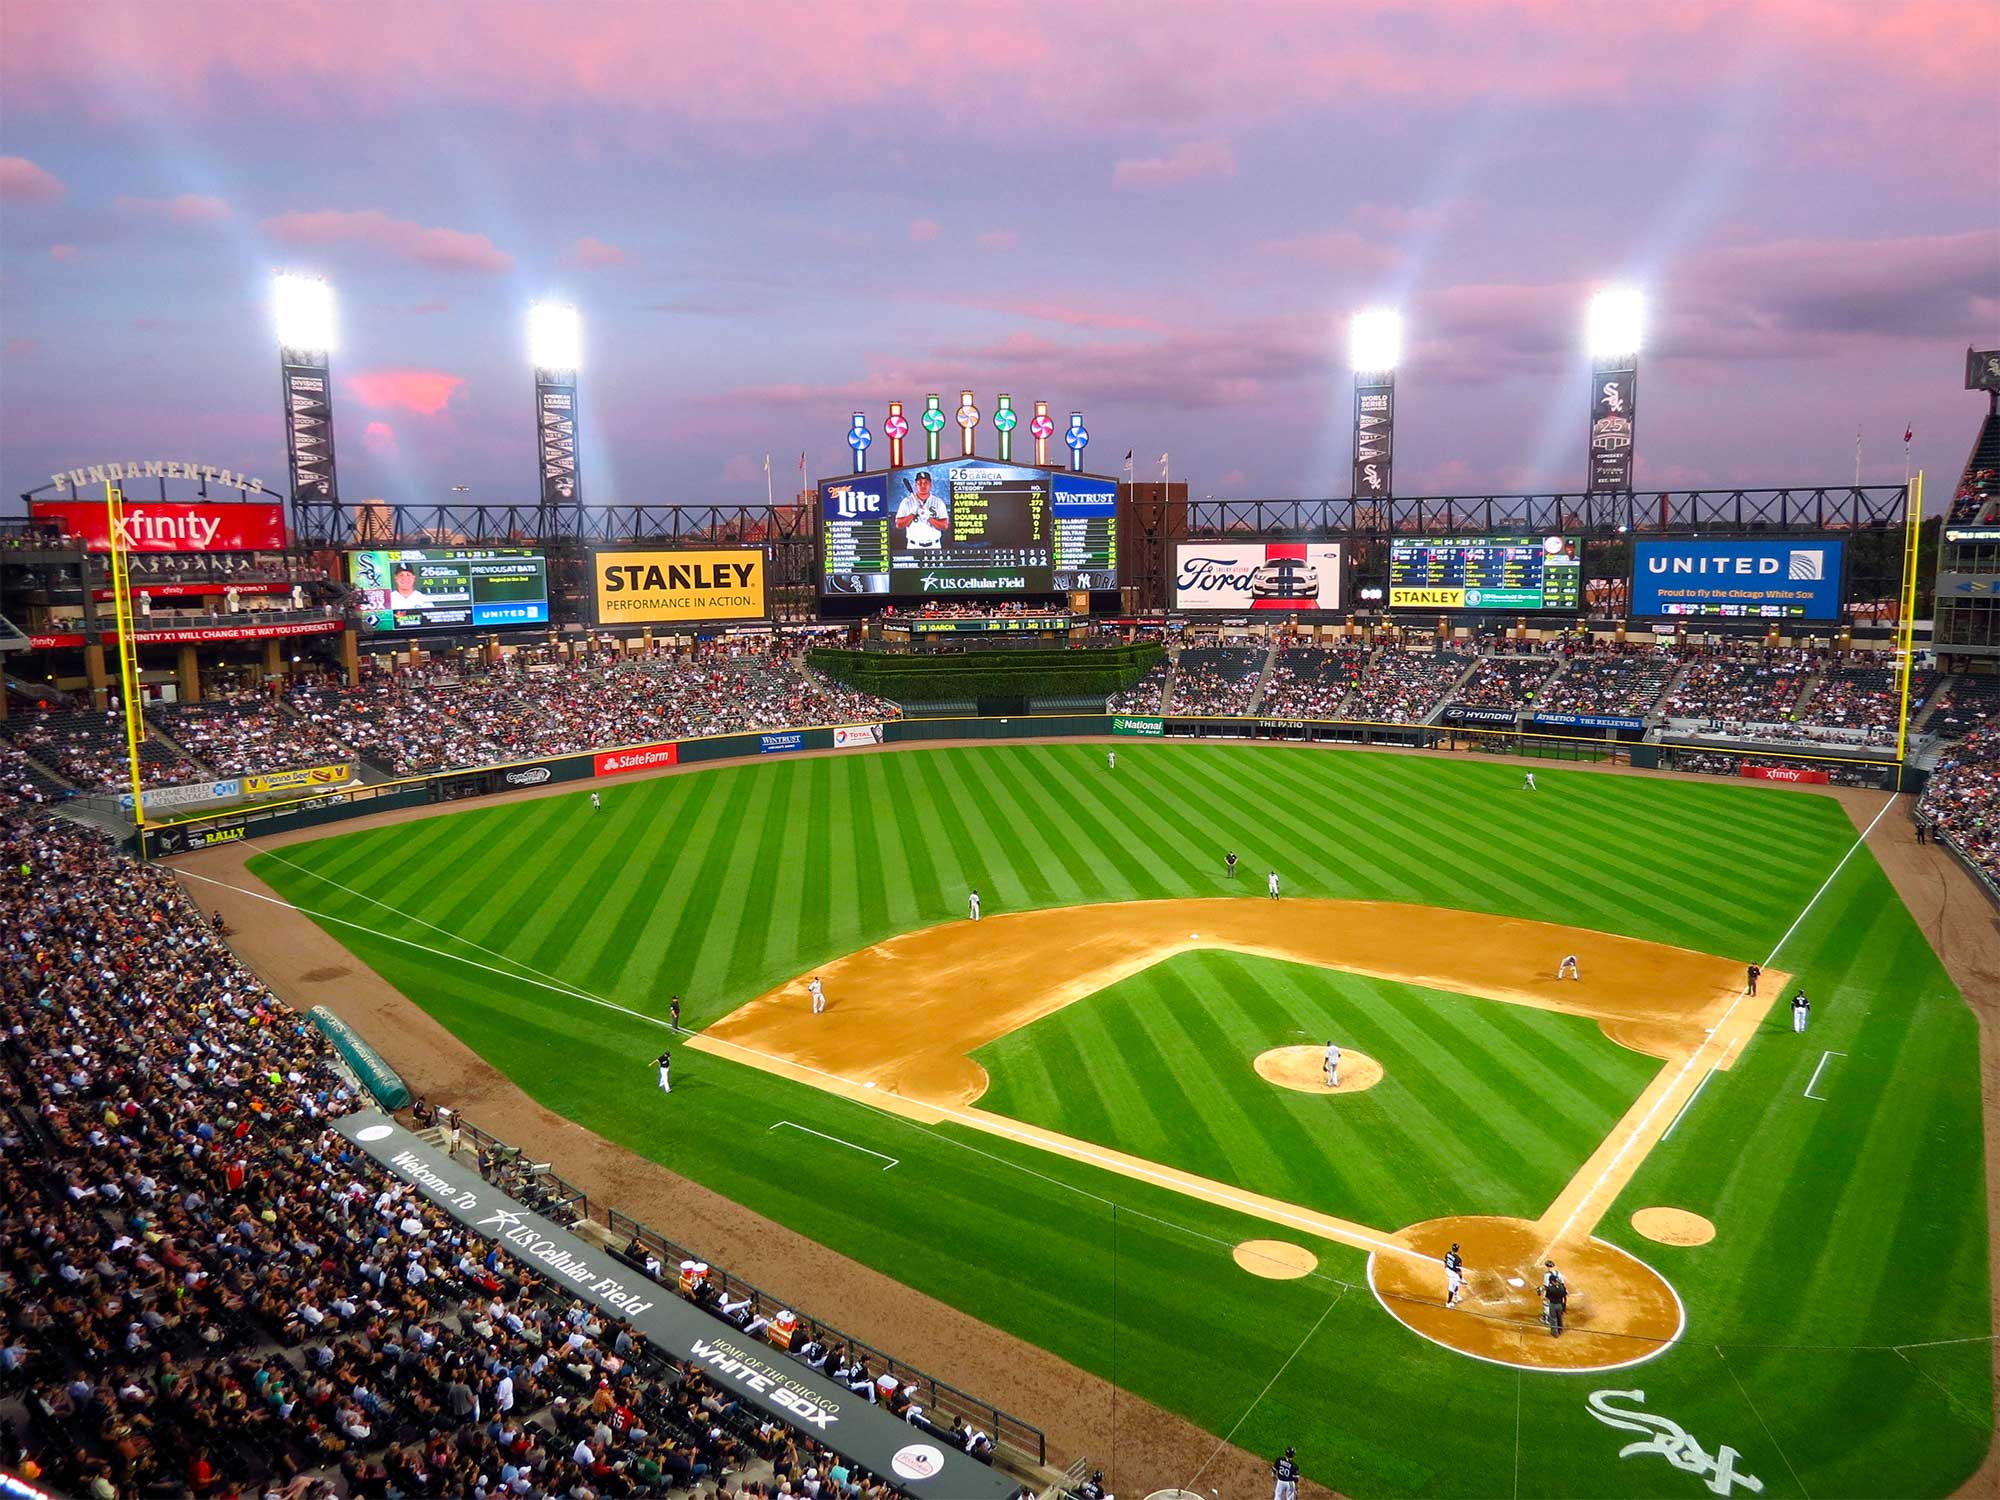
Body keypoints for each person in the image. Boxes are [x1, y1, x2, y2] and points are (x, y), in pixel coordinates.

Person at [893, 472, 950, 550]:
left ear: (930, 484)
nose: (923, 486)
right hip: (913, 546)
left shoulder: (938, 502)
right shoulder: (906, 502)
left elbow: (944, 526)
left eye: (926, 483)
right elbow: (899, 525)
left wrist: (928, 518)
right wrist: (912, 514)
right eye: (919, 483)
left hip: (934, 546)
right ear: (915, 485)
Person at [1542, 1262, 1567, 1336]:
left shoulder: (1547, 1276)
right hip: (1560, 1304)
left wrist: (1542, 1292)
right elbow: (1563, 1287)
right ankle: (1560, 1329)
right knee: (1560, 1317)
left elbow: (1546, 1289)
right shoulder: (1558, 1274)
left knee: (1553, 1317)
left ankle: (1554, 1331)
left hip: (1553, 1303)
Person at [1444, 1243, 1465, 1308]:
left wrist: (1446, 1268)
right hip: (1453, 1274)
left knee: (1456, 1284)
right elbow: (1458, 1270)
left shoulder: (1448, 1253)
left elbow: (1445, 1261)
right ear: (1457, 1249)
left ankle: (1456, 1296)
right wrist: (1461, 1278)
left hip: (1448, 1270)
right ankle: (1448, 1303)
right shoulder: (1458, 1259)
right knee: (1451, 1289)